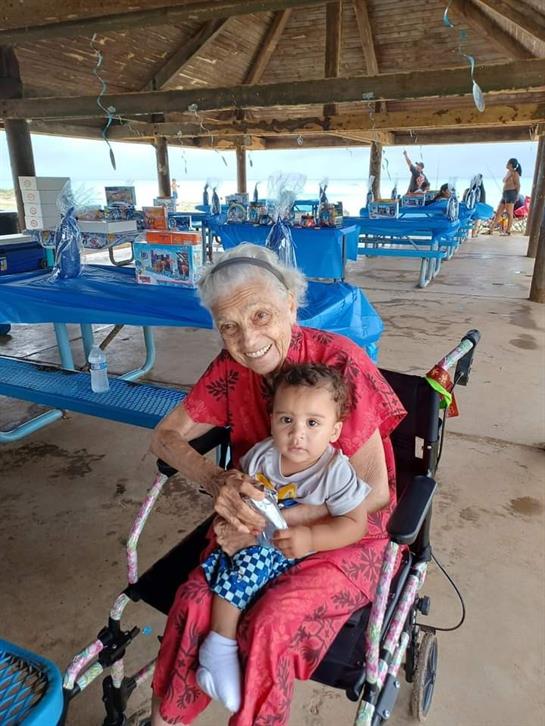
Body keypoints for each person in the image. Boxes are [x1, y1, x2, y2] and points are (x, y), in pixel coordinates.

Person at [149, 243, 406, 726]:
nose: (247, 340)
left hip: (344, 529)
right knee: (194, 600)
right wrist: (214, 478)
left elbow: (375, 494)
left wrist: (280, 521)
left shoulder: (340, 365)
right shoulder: (231, 369)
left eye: (261, 314)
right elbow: (164, 436)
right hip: (257, 521)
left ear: (291, 303)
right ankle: (167, 717)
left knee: (273, 622)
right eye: (229, 326)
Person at [196, 363, 371, 713]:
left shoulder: (335, 472)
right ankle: (219, 646)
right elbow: (244, 495)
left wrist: (311, 537)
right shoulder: (263, 456)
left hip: (304, 547)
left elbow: (355, 524)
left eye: (313, 423)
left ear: (335, 430)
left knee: (259, 582)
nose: (297, 435)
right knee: (235, 563)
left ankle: (223, 647)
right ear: (272, 418)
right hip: (263, 539)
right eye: (286, 420)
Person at [487, 158, 522, 235]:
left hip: (511, 194)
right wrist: (508, 175)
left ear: (511, 164)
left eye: (508, 163)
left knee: (509, 213)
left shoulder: (515, 174)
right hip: (505, 194)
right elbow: (504, 180)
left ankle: (508, 231)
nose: (506, 164)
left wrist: (516, 196)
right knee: (498, 212)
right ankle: (491, 229)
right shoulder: (509, 172)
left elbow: (518, 185)